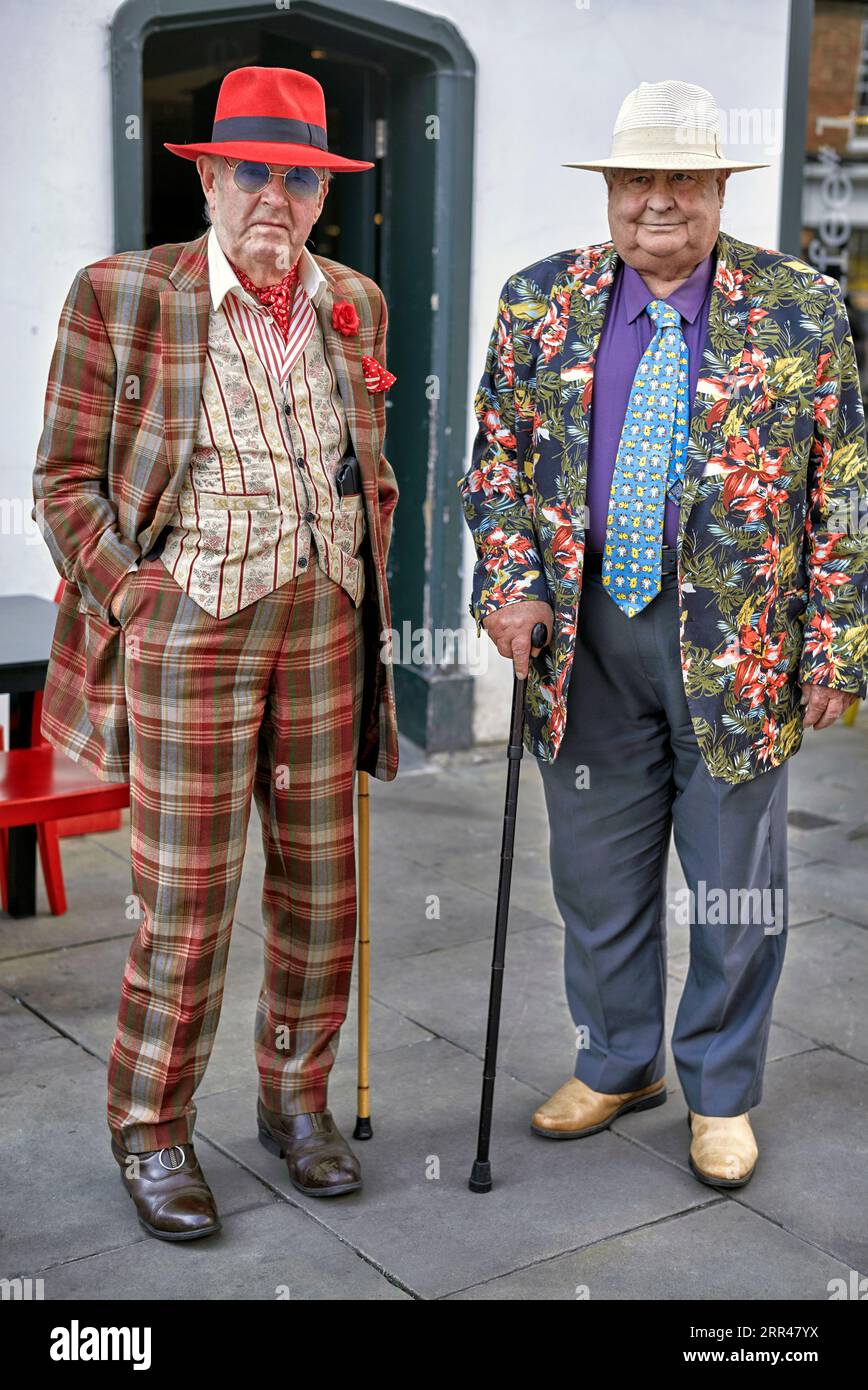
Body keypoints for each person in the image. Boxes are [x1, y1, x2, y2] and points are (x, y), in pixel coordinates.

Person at [459, 80, 867, 1188]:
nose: (657, 203)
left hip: (739, 651)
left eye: (681, 180)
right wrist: (508, 584)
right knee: (594, 876)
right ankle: (618, 1058)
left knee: (733, 885)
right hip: (582, 638)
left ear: (718, 189)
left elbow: (846, 489)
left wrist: (835, 642)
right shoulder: (538, 301)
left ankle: (722, 1091)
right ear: (610, 191)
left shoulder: (799, 310)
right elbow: (494, 463)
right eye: (637, 179)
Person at [33, 66, 398, 1240]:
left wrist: (363, 535)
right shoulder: (122, 295)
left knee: (320, 896)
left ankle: (295, 1101)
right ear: (209, 174)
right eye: (255, 172)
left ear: (319, 193)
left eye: (299, 179)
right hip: (190, 626)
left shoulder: (356, 299)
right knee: (185, 902)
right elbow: (63, 480)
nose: (276, 200)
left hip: (325, 623)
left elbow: (364, 454)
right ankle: (151, 1128)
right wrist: (134, 598)